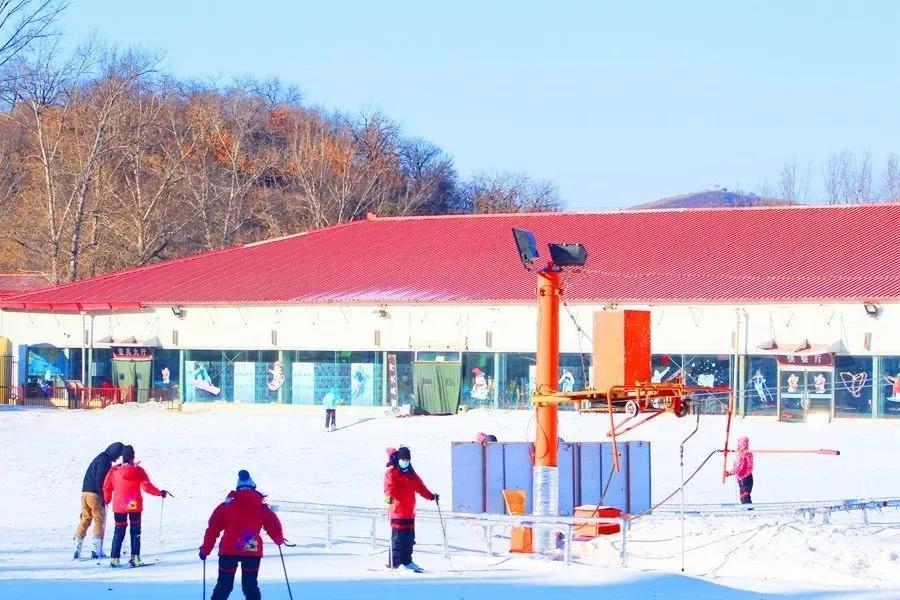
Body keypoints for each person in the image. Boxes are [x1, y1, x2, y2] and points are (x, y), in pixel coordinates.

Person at [200, 470, 285, 600]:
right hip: (250, 546)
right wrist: (278, 539)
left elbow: (212, 529)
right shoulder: (261, 507)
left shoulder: (226, 506)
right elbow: (273, 525)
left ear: (237, 488)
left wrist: (205, 550)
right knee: (250, 586)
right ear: (253, 488)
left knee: (224, 585)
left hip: (229, 549)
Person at [102, 445, 169, 567]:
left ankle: (115, 559)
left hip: (119, 505)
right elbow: (147, 486)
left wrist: (106, 500)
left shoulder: (114, 472)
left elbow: (107, 487)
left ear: (123, 457)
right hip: (134, 504)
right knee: (135, 531)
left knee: (119, 532)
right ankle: (136, 557)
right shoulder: (138, 471)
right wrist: (159, 493)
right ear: (132, 457)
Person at [384, 446, 438, 572]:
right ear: (398, 460)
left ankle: (407, 561)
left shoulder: (411, 475)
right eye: (403, 460)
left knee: (409, 539)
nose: (405, 462)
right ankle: (395, 563)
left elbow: (421, 487)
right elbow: (388, 490)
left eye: (407, 460)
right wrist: (389, 502)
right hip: (397, 513)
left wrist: (431, 496)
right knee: (397, 540)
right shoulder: (391, 473)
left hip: (409, 512)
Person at [74, 442, 124, 559]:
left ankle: (77, 548)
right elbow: (100, 479)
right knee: (99, 520)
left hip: (85, 493)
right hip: (95, 495)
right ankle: (97, 550)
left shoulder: (99, 458)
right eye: (118, 455)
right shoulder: (104, 461)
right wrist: (102, 496)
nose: (117, 458)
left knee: (85, 519)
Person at [726, 436, 754, 504]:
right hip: (748, 478)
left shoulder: (742, 454)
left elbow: (738, 466)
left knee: (744, 497)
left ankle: (750, 512)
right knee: (744, 497)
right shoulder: (749, 453)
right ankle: (749, 512)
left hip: (744, 479)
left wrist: (730, 473)